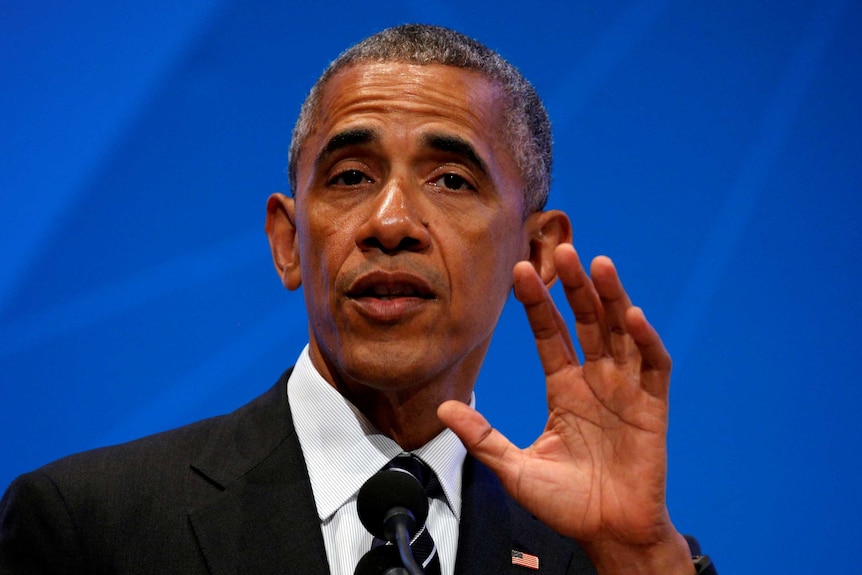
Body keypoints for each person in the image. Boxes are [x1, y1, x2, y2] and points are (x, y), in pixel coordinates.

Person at [0, 24, 716, 575]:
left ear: (533, 252)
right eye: (349, 176)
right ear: (287, 241)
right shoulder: (91, 526)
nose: (391, 222)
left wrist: (640, 558)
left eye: (451, 180)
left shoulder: (602, 553)